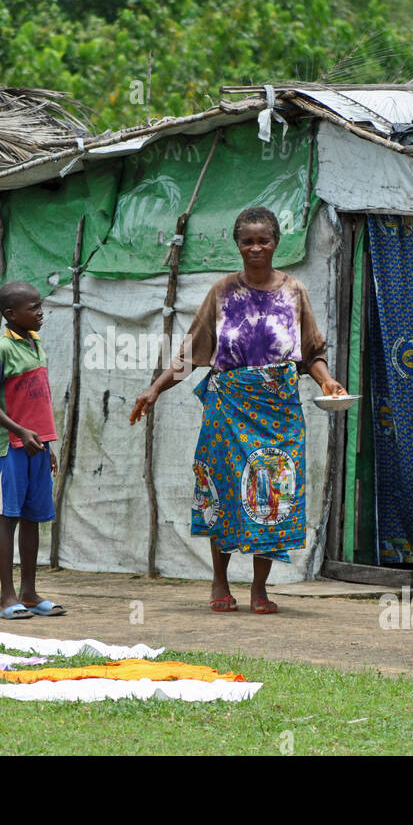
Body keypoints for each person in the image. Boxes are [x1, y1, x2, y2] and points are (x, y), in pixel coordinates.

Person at [129, 206, 344, 614]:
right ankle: (220, 580)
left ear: (276, 243)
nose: (256, 247)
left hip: (278, 410)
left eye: (264, 240)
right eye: (248, 241)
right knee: (223, 490)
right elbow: (191, 354)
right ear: (238, 245)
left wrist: (326, 381)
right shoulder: (223, 292)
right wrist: (155, 389)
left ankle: (260, 588)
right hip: (227, 409)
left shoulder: (294, 292)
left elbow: (311, 353)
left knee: (273, 492)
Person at [0, 280, 66, 619]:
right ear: (11, 315)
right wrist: (20, 431)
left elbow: (36, 401)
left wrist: (46, 443)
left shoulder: (36, 344)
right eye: (33, 308)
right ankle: (6, 596)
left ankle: (29, 592)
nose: (40, 312)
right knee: (10, 516)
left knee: (33, 517)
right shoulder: (0, 350)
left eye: (40, 305)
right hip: (12, 446)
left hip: (37, 447)